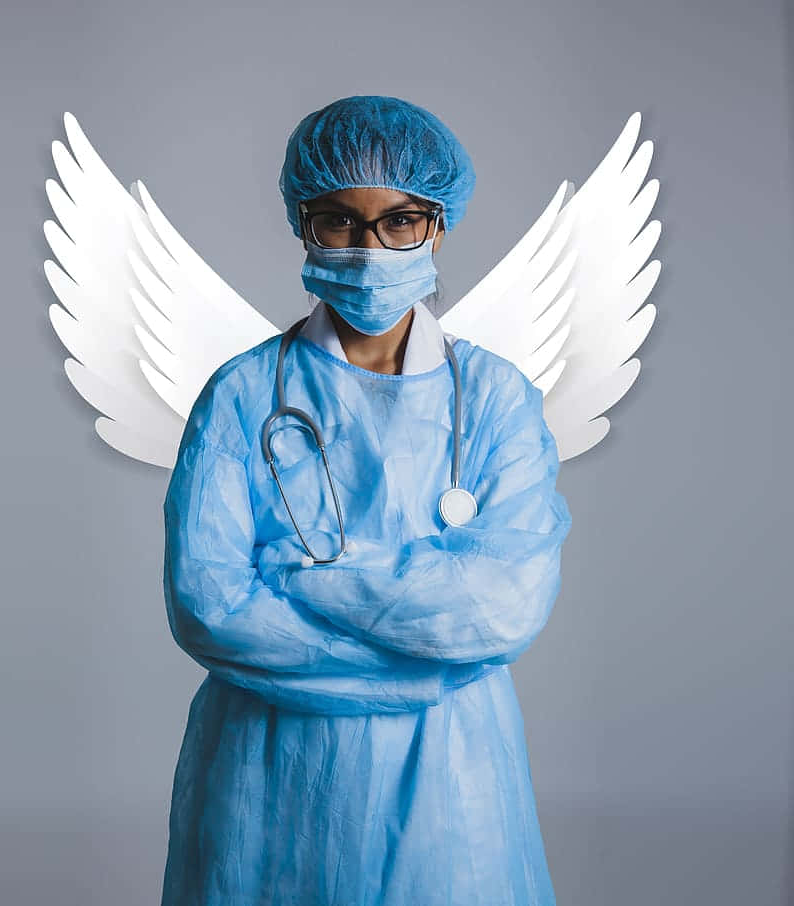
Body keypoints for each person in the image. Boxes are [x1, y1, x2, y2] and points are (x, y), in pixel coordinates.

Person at [160, 95, 572, 906]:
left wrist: (301, 580)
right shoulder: (243, 393)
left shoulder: (493, 397)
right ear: (301, 224)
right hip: (273, 775)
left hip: (451, 778)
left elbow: (501, 607)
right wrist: (422, 658)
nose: (370, 248)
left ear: (439, 225)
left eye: (400, 221)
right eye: (339, 221)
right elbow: (208, 604)